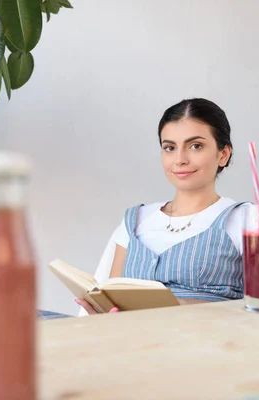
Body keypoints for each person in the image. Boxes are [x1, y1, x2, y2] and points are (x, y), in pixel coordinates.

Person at [77, 98, 248, 315]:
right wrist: (98, 314)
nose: (179, 159)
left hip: (202, 342)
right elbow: (111, 299)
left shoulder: (245, 218)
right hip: (129, 341)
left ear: (223, 154)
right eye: (169, 148)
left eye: (195, 146)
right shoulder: (136, 219)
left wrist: (176, 305)